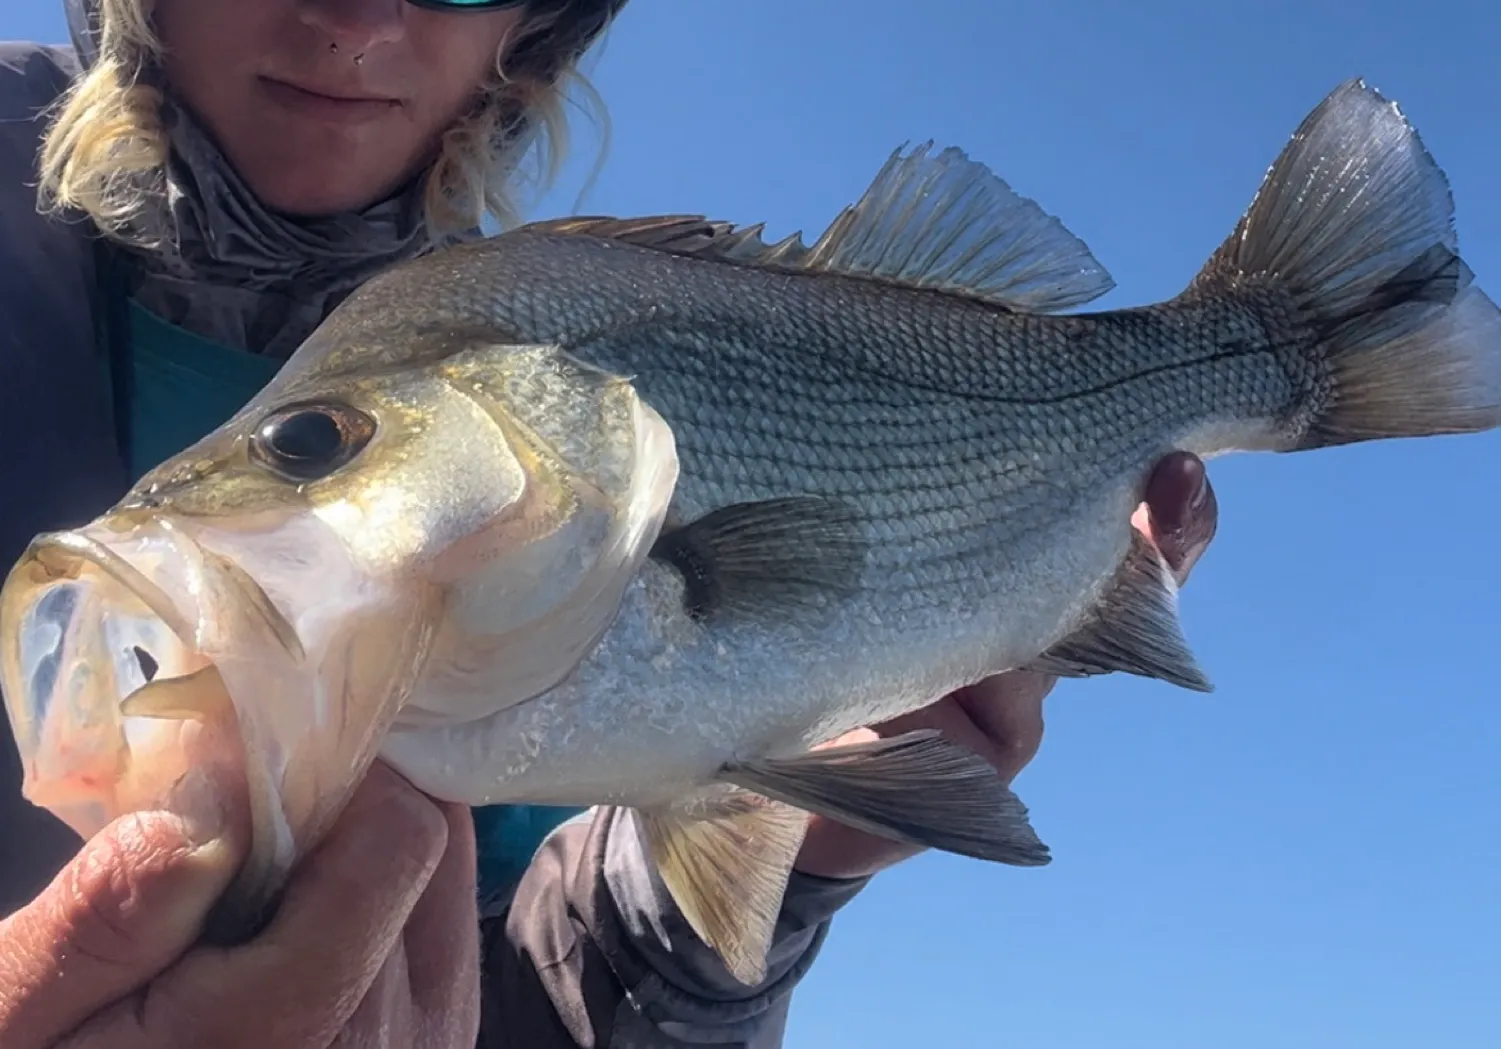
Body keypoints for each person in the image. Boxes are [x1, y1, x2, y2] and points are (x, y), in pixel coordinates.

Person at [0, 1, 1221, 1046]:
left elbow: (530, 991)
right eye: (314, 440)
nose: (359, 19)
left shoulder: (523, 382)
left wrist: (766, 864)